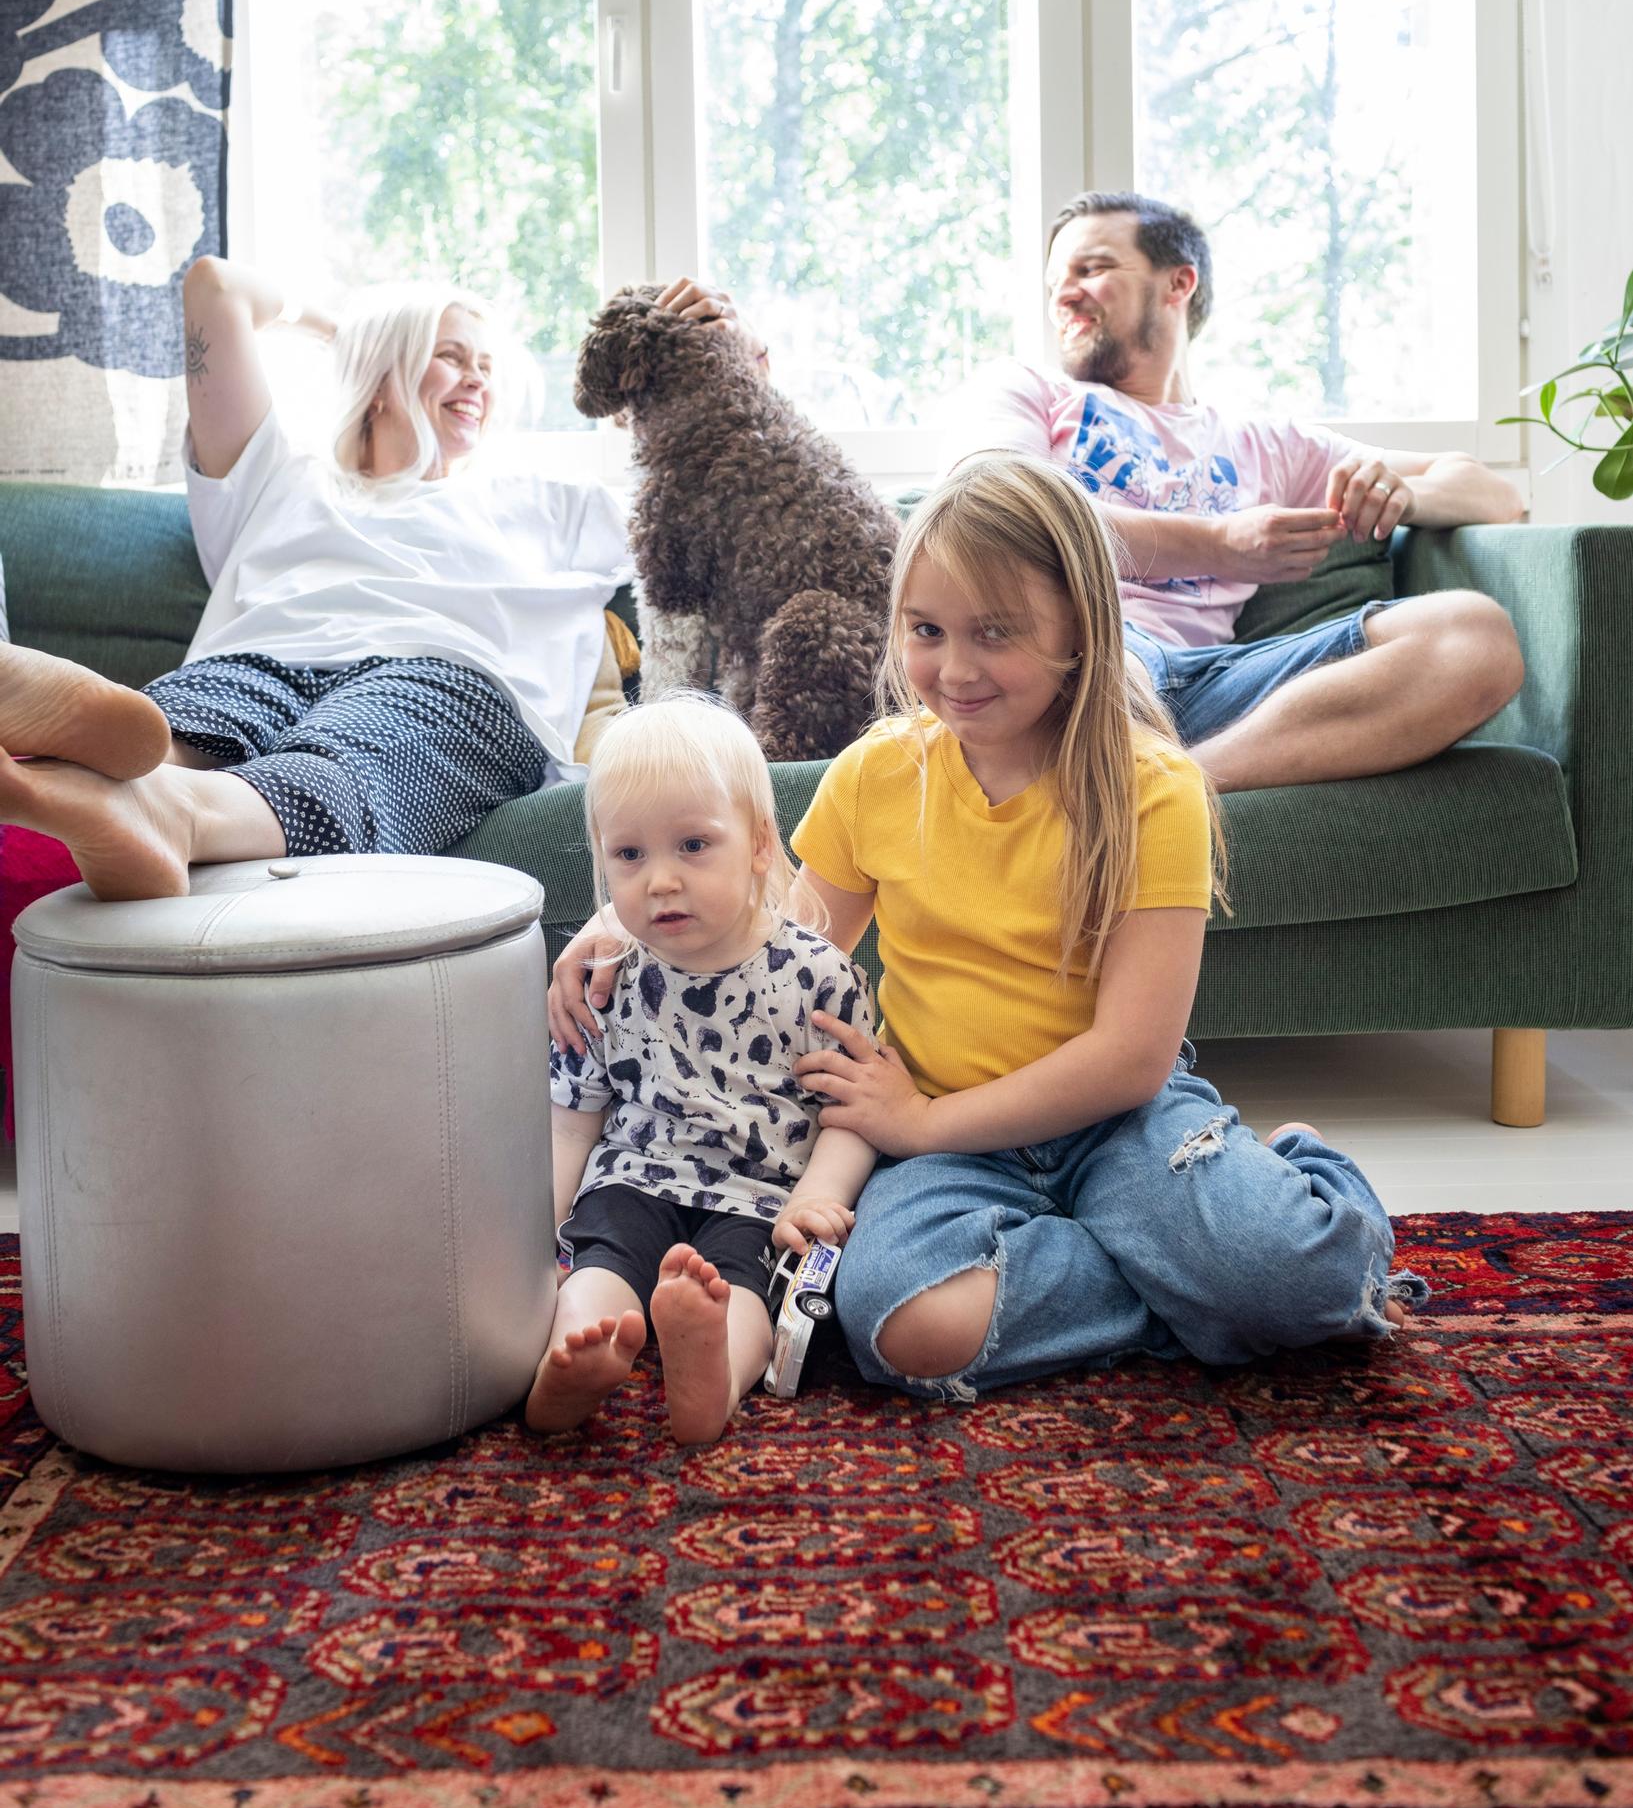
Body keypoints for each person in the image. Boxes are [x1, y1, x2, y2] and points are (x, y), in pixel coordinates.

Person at [553, 453, 1423, 1401]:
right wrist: (618, 922)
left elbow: (1131, 1056)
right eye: (927, 631)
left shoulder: (1154, 789)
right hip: (941, 1143)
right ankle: (1177, 1271)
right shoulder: (878, 772)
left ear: (1078, 630)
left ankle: (1293, 1183)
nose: (954, 669)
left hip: (1114, 1121)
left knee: (1300, 1284)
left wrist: (920, 1122)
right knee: (897, 1325)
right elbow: (776, 938)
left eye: (994, 633)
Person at [652, 206, 1526, 791]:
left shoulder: (1267, 441)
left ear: (1176, 282)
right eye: (1054, 280)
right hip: (1074, 659)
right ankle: (1124, 772)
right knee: (1061, 646)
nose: (1064, 291)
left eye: (1093, 267)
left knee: (1472, 639)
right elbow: (1002, 506)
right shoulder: (1030, 392)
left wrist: (1395, 487)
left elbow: (1490, 492)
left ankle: (1179, 790)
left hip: (1208, 686)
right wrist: (1220, 547)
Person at [0, 256, 631, 898]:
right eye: (451, 356)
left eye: (487, 367)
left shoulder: (547, 501)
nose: (477, 380)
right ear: (383, 375)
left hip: (441, 674)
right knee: (185, 718)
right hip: (265, 656)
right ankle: (88, 761)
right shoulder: (281, 474)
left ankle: (172, 812)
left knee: (352, 760)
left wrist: (736, 353)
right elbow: (215, 286)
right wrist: (344, 332)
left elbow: (707, 510)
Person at [531, 692, 876, 1445]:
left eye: (692, 846)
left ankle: (713, 1374)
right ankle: (577, 1353)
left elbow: (853, 1109)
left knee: (748, 1285)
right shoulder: (607, 974)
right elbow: (571, 1121)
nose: (658, 880)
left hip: (759, 1194)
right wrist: (533, 1229)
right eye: (629, 855)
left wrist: (815, 1196)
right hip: (636, 1176)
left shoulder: (818, 976)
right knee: (601, 1254)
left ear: (757, 844)